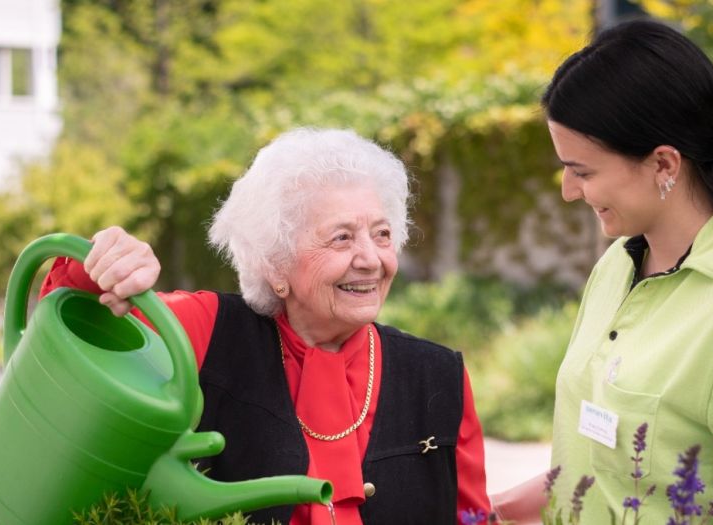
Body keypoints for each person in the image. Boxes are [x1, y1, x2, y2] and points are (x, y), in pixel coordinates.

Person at [39, 128, 490, 525]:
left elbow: (472, 518)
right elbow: (78, 332)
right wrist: (103, 264)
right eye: (342, 237)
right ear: (275, 265)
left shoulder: (438, 375)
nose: (371, 259)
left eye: (382, 234)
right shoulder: (208, 329)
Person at [489, 20, 713, 525]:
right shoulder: (617, 265)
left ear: (663, 164)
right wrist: (490, 510)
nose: (568, 190)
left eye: (583, 171)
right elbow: (596, 469)